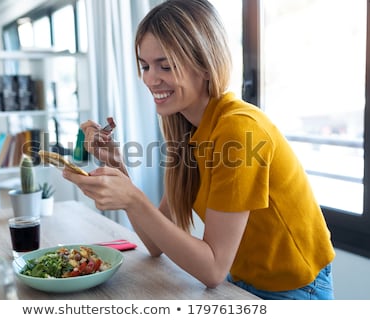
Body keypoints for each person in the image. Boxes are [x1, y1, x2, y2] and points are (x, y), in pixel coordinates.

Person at [62, 0, 335, 300]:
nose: (150, 79)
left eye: (165, 65)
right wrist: (118, 172)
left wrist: (134, 199)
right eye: (145, 65)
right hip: (243, 282)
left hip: (294, 290)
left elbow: (213, 269)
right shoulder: (188, 132)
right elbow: (155, 245)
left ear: (204, 65)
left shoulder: (238, 130)